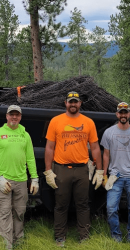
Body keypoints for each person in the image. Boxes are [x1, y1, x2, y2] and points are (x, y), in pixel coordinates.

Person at [44, 91, 103, 247]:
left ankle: (84, 236)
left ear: (80, 104)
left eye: (75, 102)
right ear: (65, 103)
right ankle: (60, 237)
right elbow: (49, 147)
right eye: (70, 102)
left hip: (82, 169)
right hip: (61, 169)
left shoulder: (88, 122)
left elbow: (95, 147)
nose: (73, 104)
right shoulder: (56, 121)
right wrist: (48, 170)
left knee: (83, 204)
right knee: (61, 204)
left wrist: (99, 170)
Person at [0, 105, 39, 250]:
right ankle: (6, 245)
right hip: (3, 181)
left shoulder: (25, 135)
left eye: (17, 115)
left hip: (21, 181)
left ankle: (18, 240)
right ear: (6, 116)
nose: (14, 117)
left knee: (20, 211)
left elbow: (30, 158)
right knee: (4, 212)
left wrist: (34, 178)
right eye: (12, 114)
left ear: (20, 117)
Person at [101, 102, 130, 243]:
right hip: (115, 176)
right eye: (121, 112)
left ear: (129, 114)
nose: (123, 115)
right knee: (111, 208)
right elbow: (106, 155)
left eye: (125, 112)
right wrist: (104, 175)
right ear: (117, 114)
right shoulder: (109, 132)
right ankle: (116, 235)